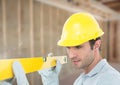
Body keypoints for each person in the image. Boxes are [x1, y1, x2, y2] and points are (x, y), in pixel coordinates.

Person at [38, 12, 120, 85]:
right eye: (68, 48)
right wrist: (51, 82)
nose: (71, 55)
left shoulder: (110, 80)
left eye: (78, 47)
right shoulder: (80, 80)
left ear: (96, 45)